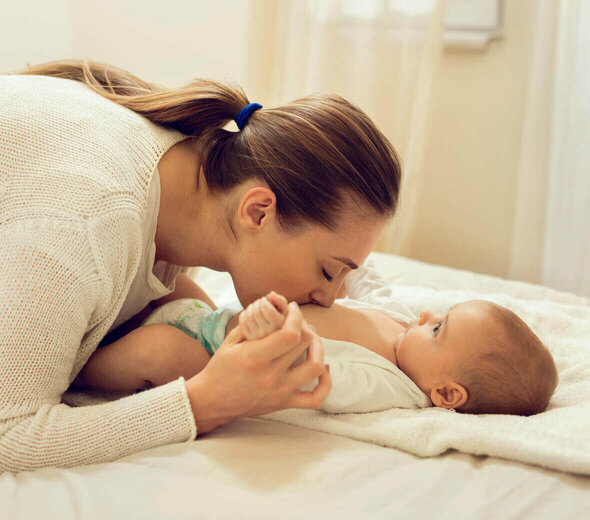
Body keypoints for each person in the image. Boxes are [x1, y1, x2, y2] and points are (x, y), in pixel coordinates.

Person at [0, 59, 402, 473]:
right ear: (260, 212)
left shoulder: (183, 175)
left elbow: (128, 284)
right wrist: (204, 402)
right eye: (329, 271)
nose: (330, 298)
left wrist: (215, 344)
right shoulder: (87, 223)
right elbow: (9, 436)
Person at [76, 284, 558, 417]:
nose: (426, 319)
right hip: (211, 317)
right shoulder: (398, 323)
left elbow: (315, 376)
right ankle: (90, 317)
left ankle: (73, 370)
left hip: (212, 355)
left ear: (446, 394)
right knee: (172, 279)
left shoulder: (386, 384)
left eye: (439, 332)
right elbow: (369, 283)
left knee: (157, 352)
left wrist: (277, 332)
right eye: (440, 314)